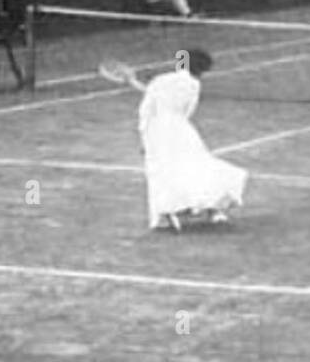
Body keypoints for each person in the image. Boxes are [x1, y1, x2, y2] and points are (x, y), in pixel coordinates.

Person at [101, 49, 247, 231]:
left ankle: (170, 213)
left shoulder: (161, 80)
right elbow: (186, 111)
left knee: (163, 173)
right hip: (180, 130)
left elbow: (149, 105)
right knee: (199, 166)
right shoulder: (194, 85)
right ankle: (211, 210)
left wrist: (144, 137)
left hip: (156, 132)